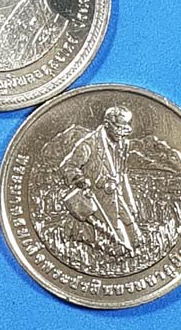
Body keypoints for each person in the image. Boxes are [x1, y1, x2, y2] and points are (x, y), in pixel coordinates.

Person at [60, 106, 142, 254]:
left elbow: (122, 174)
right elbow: (68, 166)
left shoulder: (123, 144)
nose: (122, 133)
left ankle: (133, 250)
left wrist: (130, 202)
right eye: (119, 128)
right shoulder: (88, 144)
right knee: (117, 241)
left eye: (125, 128)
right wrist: (79, 179)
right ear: (107, 124)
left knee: (135, 235)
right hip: (97, 200)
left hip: (117, 196)